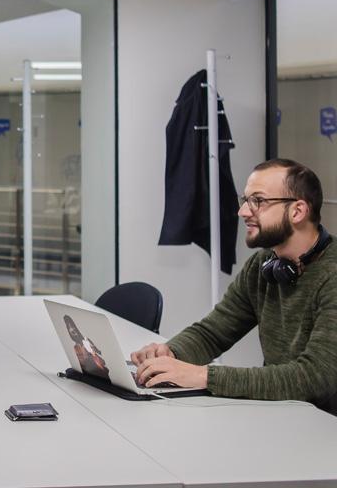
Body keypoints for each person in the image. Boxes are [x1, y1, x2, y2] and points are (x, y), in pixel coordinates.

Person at [132, 159, 337, 413]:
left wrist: (204, 376)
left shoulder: (332, 274)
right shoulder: (263, 266)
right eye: (246, 200)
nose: (243, 212)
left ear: (297, 211)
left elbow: (315, 378)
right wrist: (169, 355)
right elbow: (212, 333)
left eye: (258, 201)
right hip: (285, 417)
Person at [63, 315, 110, 380]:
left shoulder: (86, 340)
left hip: (98, 367)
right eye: (69, 328)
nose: (72, 330)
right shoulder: (76, 347)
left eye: (73, 327)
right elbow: (81, 363)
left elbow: (98, 352)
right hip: (88, 370)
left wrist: (93, 350)